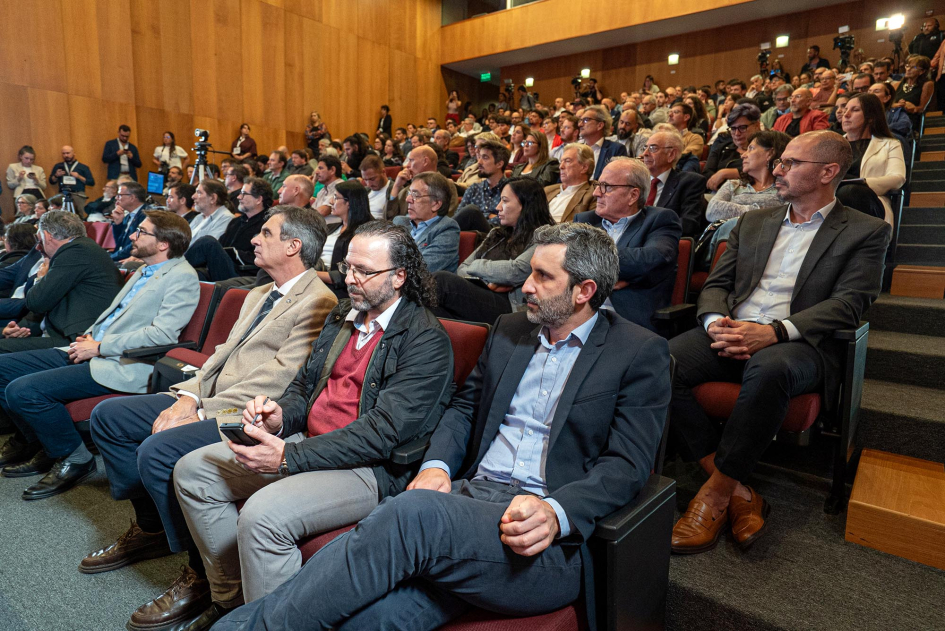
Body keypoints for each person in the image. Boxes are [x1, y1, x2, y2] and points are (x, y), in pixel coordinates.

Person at [212, 221, 671, 631]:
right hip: (471, 499)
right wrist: (435, 465)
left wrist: (557, 512)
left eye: (543, 277)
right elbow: (464, 409)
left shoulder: (636, 352)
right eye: (529, 270)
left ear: (584, 290)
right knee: (375, 617)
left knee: (408, 516)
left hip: (544, 536)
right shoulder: (511, 331)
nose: (526, 285)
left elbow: (628, 465)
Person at [171, 221, 454, 628]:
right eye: (347, 268)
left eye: (364, 272)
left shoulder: (425, 338)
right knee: (194, 471)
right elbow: (306, 386)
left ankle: (266, 623)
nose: (350, 280)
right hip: (309, 441)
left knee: (262, 516)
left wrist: (287, 456)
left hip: (369, 467)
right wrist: (281, 415)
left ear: (399, 276)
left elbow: (383, 433)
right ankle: (233, 607)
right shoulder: (345, 314)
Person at [83, 207, 337, 631]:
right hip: (208, 395)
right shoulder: (260, 292)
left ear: (293, 246)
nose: (254, 239)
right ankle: (152, 528)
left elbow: (278, 380)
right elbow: (220, 356)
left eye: (266, 233)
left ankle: (200, 574)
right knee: (110, 416)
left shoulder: (318, 301)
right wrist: (188, 396)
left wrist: (200, 409)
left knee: (159, 451)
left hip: (248, 411)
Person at [668, 131, 891, 555]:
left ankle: (714, 496)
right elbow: (717, 285)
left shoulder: (866, 231)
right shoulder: (754, 221)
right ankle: (736, 490)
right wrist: (716, 322)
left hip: (800, 342)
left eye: (790, 163)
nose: (778, 170)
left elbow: (849, 304)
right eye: (779, 161)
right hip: (734, 329)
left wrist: (773, 332)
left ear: (827, 172)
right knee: (660, 360)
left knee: (769, 367)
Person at [0, 213, 199, 497]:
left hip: (126, 362)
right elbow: (113, 317)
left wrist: (99, 346)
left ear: (164, 243)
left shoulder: (182, 277)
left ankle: (76, 458)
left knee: (23, 390)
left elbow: (162, 336)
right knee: (3, 368)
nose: (132, 235)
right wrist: (91, 335)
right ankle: (46, 445)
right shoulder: (144, 270)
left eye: (141, 231)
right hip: (93, 349)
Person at [574, 157, 680, 330]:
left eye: (606, 187)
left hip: (625, 320)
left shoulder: (659, 219)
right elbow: (565, 259)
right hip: (577, 313)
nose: (596, 193)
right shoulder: (585, 220)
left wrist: (591, 264)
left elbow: (653, 259)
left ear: (633, 195)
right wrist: (615, 275)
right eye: (597, 184)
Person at [0, 212, 123, 358]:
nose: (39, 248)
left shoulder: (75, 251)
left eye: (39, 241)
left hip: (75, 341)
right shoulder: (81, 248)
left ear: (47, 236)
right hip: (61, 332)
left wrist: (40, 278)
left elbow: (36, 302)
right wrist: (21, 329)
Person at [433, 177, 554, 325]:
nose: (498, 207)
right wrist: (491, 279)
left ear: (525, 204)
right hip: (482, 295)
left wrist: (478, 265)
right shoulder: (496, 233)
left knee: (441, 281)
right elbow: (462, 268)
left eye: (505, 201)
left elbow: (515, 271)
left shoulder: (543, 237)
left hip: (510, 306)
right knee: (433, 313)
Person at [837, 93, 907, 226]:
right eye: (846, 109)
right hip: (831, 203)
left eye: (855, 110)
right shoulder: (832, 145)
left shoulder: (890, 144)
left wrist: (862, 184)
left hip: (870, 204)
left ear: (871, 117)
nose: (845, 114)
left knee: (850, 192)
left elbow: (898, 178)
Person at [185, 177, 273, 281]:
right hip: (223, 267)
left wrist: (231, 253)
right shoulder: (236, 222)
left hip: (243, 272)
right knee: (192, 275)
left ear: (258, 199)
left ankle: (172, 268)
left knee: (208, 242)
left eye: (244, 194)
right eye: (240, 193)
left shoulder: (268, 224)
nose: (239, 197)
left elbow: (260, 257)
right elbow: (221, 245)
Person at [706, 131, 791, 224]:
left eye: (751, 148)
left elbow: (785, 218)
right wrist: (756, 210)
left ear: (770, 154)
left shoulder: (785, 188)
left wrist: (736, 211)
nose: (743, 155)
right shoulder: (734, 184)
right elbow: (712, 211)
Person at [640, 131, 707, 238]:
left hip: (662, 241)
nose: (645, 154)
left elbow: (688, 224)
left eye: (653, 148)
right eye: (645, 148)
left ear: (671, 154)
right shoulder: (636, 182)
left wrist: (646, 229)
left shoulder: (690, 182)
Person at [393, 172, 461, 273]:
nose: (408, 199)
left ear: (436, 204)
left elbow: (422, 268)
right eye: (409, 193)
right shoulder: (400, 222)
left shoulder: (447, 228)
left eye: (415, 195)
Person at [317, 180, 374, 293]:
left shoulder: (364, 233)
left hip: (337, 290)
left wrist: (311, 275)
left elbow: (346, 274)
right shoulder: (332, 227)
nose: (331, 201)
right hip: (318, 277)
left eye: (336, 197)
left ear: (349, 202)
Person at [386, 146, 459, 219]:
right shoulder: (407, 190)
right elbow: (390, 217)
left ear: (425, 161)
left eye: (411, 160)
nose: (407, 165)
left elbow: (445, 218)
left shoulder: (447, 185)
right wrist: (396, 186)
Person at [453, 140, 511, 232]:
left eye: (485, 158)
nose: (479, 162)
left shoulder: (510, 190)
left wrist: (478, 215)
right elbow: (459, 216)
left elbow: (507, 220)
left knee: (472, 211)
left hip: (496, 237)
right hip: (471, 237)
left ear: (499, 164)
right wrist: (488, 215)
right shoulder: (474, 188)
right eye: (479, 157)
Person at [704, 102, 762, 191]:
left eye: (742, 127)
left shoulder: (767, 146)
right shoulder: (722, 144)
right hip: (718, 193)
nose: (737, 134)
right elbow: (707, 174)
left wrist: (726, 173)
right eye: (733, 129)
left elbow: (763, 172)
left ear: (757, 126)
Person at [545, 143, 597, 226]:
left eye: (567, 161)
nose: (560, 166)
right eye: (561, 161)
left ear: (584, 167)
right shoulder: (547, 190)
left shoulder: (594, 193)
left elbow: (587, 227)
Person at [580, 105, 628, 179]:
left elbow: (618, 179)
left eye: (586, 120)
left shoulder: (616, 150)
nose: (580, 124)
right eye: (580, 120)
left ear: (600, 125)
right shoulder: (575, 149)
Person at [110, 181, 151, 262]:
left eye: (119, 195)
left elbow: (135, 244)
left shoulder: (147, 215)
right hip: (122, 258)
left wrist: (110, 258)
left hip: (132, 260)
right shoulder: (128, 215)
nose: (116, 198)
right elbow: (119, 243)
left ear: (132, 197)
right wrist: (118, 223)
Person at [48, 145, 95, 216]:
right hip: (63, 195)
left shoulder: (83, 167)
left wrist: (79, 176)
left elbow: (91, 182)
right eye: (63, 153)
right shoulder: (58, 166)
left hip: (78, 194)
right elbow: (51, 181)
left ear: (74, 153)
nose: (66, 155)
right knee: (62, 215)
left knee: (79, 215)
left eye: (68, 153)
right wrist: (56, 175)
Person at [893, 55, 934, 129]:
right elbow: (887, 105)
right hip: (894, 117)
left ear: (922, 71)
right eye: (907, 66)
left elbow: (922, 109)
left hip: (911, 120)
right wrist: (898, 105)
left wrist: (914, 108)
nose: (908, 69)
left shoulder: (927, 84)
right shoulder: (897, 84)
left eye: (913, 67)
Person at [358, 154, 393, 220]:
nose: (368, 184)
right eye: (365, 180)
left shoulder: (394, 190)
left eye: (372, 179)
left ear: (383, 172)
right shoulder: (365, 191)